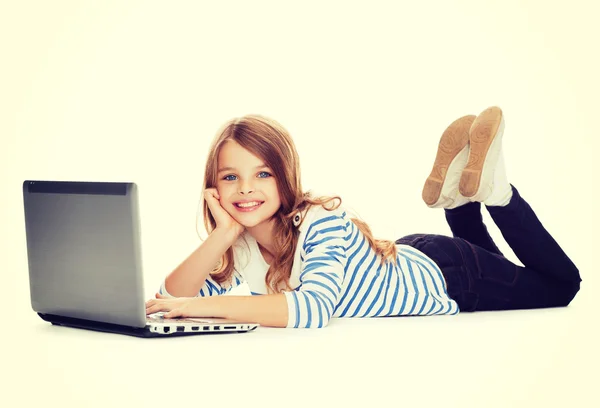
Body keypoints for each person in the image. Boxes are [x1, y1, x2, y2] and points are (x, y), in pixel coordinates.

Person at [145, 106, 581, 328]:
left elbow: (313, 309)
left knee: (562, 286)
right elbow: (169, 297)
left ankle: (495, 193)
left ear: (285, 178)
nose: (244, 189)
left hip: (449, 278)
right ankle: (457, 200)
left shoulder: (318, 220)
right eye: (229, 176)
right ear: (213, 185)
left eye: (262, 173)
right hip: (411, 257)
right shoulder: (240, 243)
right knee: (503, 268)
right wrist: (220, 236)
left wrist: (195, 307)